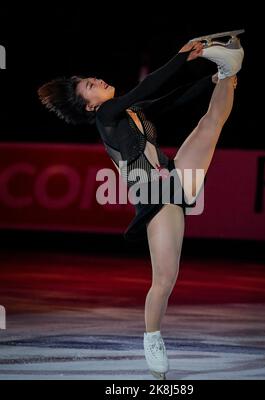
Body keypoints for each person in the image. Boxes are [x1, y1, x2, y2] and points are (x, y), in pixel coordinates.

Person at [38, 32, 244, 379]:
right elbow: (148, 86)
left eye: (93, 79)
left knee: (210, 124)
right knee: (165, 278)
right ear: (90, 105)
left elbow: (171, 99)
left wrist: (210, 78)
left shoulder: (130, 111)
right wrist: (181, 57)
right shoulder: (106, 117)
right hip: (152, 193)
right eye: (91, 85)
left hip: (173, 178)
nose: (99, 81)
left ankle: (229, 71)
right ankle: (152, 338)